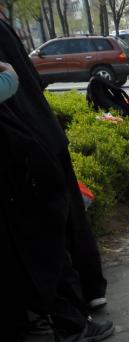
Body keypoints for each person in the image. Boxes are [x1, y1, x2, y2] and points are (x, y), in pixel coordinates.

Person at [0, 20, 108, 310]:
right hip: (38, 134)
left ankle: (72, 311)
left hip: (26, 143)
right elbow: (30, 80)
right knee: (65, 216)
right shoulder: (4, 27)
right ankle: (86, 294)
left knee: (49, 227)